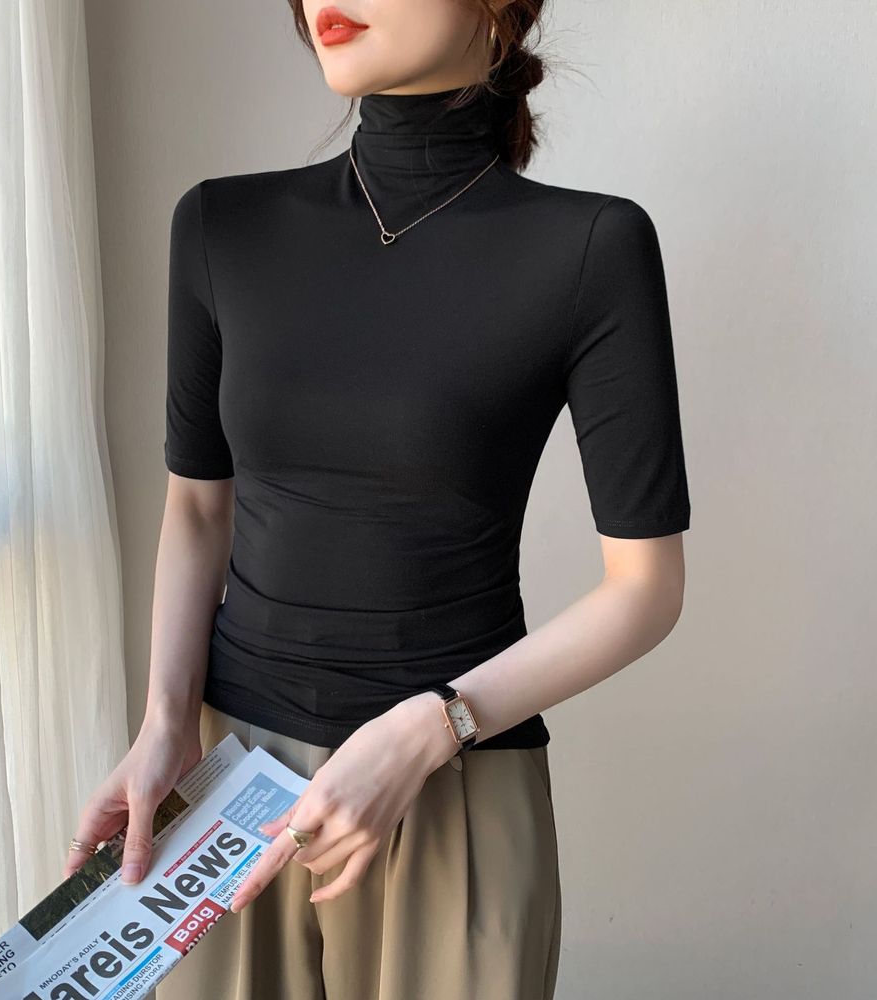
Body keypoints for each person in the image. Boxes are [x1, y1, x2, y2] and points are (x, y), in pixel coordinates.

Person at [64, 2, 691, 998]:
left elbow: (646, 588)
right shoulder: (222, 227)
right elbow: (198, 508)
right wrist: (164, 722)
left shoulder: (590, 246)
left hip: (453, 781)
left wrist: (434, 726)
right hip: (228, 784)